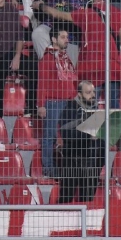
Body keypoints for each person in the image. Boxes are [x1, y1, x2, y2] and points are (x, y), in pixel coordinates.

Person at [55, 82, 106, 203]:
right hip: (72, 161)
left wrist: (100, 162)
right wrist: (88, 135)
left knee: (87, 201)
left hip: (92, 162)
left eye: (93, 92)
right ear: (79, 94)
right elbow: (66, 134)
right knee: (66, 199)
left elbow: (101, 138)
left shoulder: (96, 111)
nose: (92, 95)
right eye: (88, 93)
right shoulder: (69, 110)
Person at [38, 29, 78, 175]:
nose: (66, 39)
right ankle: (48, 169)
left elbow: (71, 81)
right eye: (63, 37)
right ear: (54, 39)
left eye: (67, 37)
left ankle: (66, 170)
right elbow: (42, 82)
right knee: (50, 136)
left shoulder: (65, 58)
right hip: (53, 102)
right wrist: (41, 105)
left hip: (67, 102)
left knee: (67, 136)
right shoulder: (48, 58)